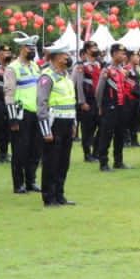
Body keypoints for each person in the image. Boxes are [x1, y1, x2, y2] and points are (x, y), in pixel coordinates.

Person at [36, 45, 78, 206]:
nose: (67, 58)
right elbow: (41, 103)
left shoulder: (66, 77)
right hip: (54, 123)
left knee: (63, 161)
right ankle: (49, 196)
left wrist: (74, 123)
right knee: (51, 161)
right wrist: (46, 130)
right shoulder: (47, 77)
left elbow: (70, 101)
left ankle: (60, 194)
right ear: (55, 57)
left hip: (67, 121)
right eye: (64, 55)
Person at [4, 37, 42, 193]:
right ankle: (18, 183)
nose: (32, 50)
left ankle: (31, 180)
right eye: (29, 48)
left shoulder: (35, 66)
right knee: (20, 150)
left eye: (33, 47)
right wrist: (12, 118)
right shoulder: (13, 68)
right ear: (21, 48)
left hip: (36, 112)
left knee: (35, 149)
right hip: (21, 114)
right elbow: (9, 93)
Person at [93, 44, 134, 171]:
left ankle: (118, 161)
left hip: (121, 107)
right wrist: (99, 106)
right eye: (121, 53)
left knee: (120, 135)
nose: (124, 56)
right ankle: (103, 163)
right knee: (106, 135)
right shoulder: (106, 70)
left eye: (124, 53)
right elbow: (99, 91)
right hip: (109, 107)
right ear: (114, 54)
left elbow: (128, 86)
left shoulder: (122, 70)